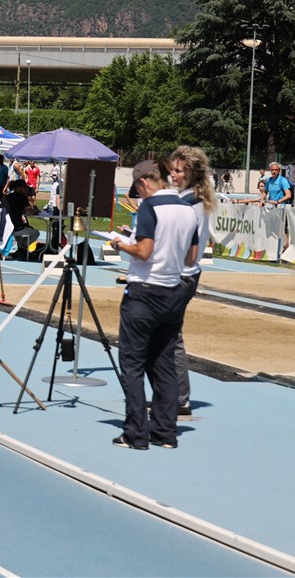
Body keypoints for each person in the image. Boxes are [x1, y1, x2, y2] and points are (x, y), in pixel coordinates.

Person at [110, 159, 198, 450]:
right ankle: (165, 433)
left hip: (145, 292)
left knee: (132, 364)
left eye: (138, 190)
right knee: (164, 364)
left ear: (144, 183)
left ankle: (135, 433)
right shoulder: (188, 208)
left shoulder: (150, 207)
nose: (139, 195)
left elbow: (144, 252)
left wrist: (121, 244)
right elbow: (191, 257)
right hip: (173, 291)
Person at [169, 146, 217, 419]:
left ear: (192, 174)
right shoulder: (193, 198)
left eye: (178, 170)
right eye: (172, 169)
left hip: (182, 275)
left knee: (170, 337)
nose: (172, 175)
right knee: (165, 336)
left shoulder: (190, 202)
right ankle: (172, 396)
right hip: (184, 273)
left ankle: (179, 399)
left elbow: (183, 244)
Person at [3, 179, 40, 252]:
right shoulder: (21, 197)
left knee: (21, 235)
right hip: (17, 227)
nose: (26, 189)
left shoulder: (7, 197)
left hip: (6, 227)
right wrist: (35, 209)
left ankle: (21, 248)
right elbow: (30, 212)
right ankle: (23, 247)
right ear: (20, 188)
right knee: (36, 233)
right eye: (24, 187)